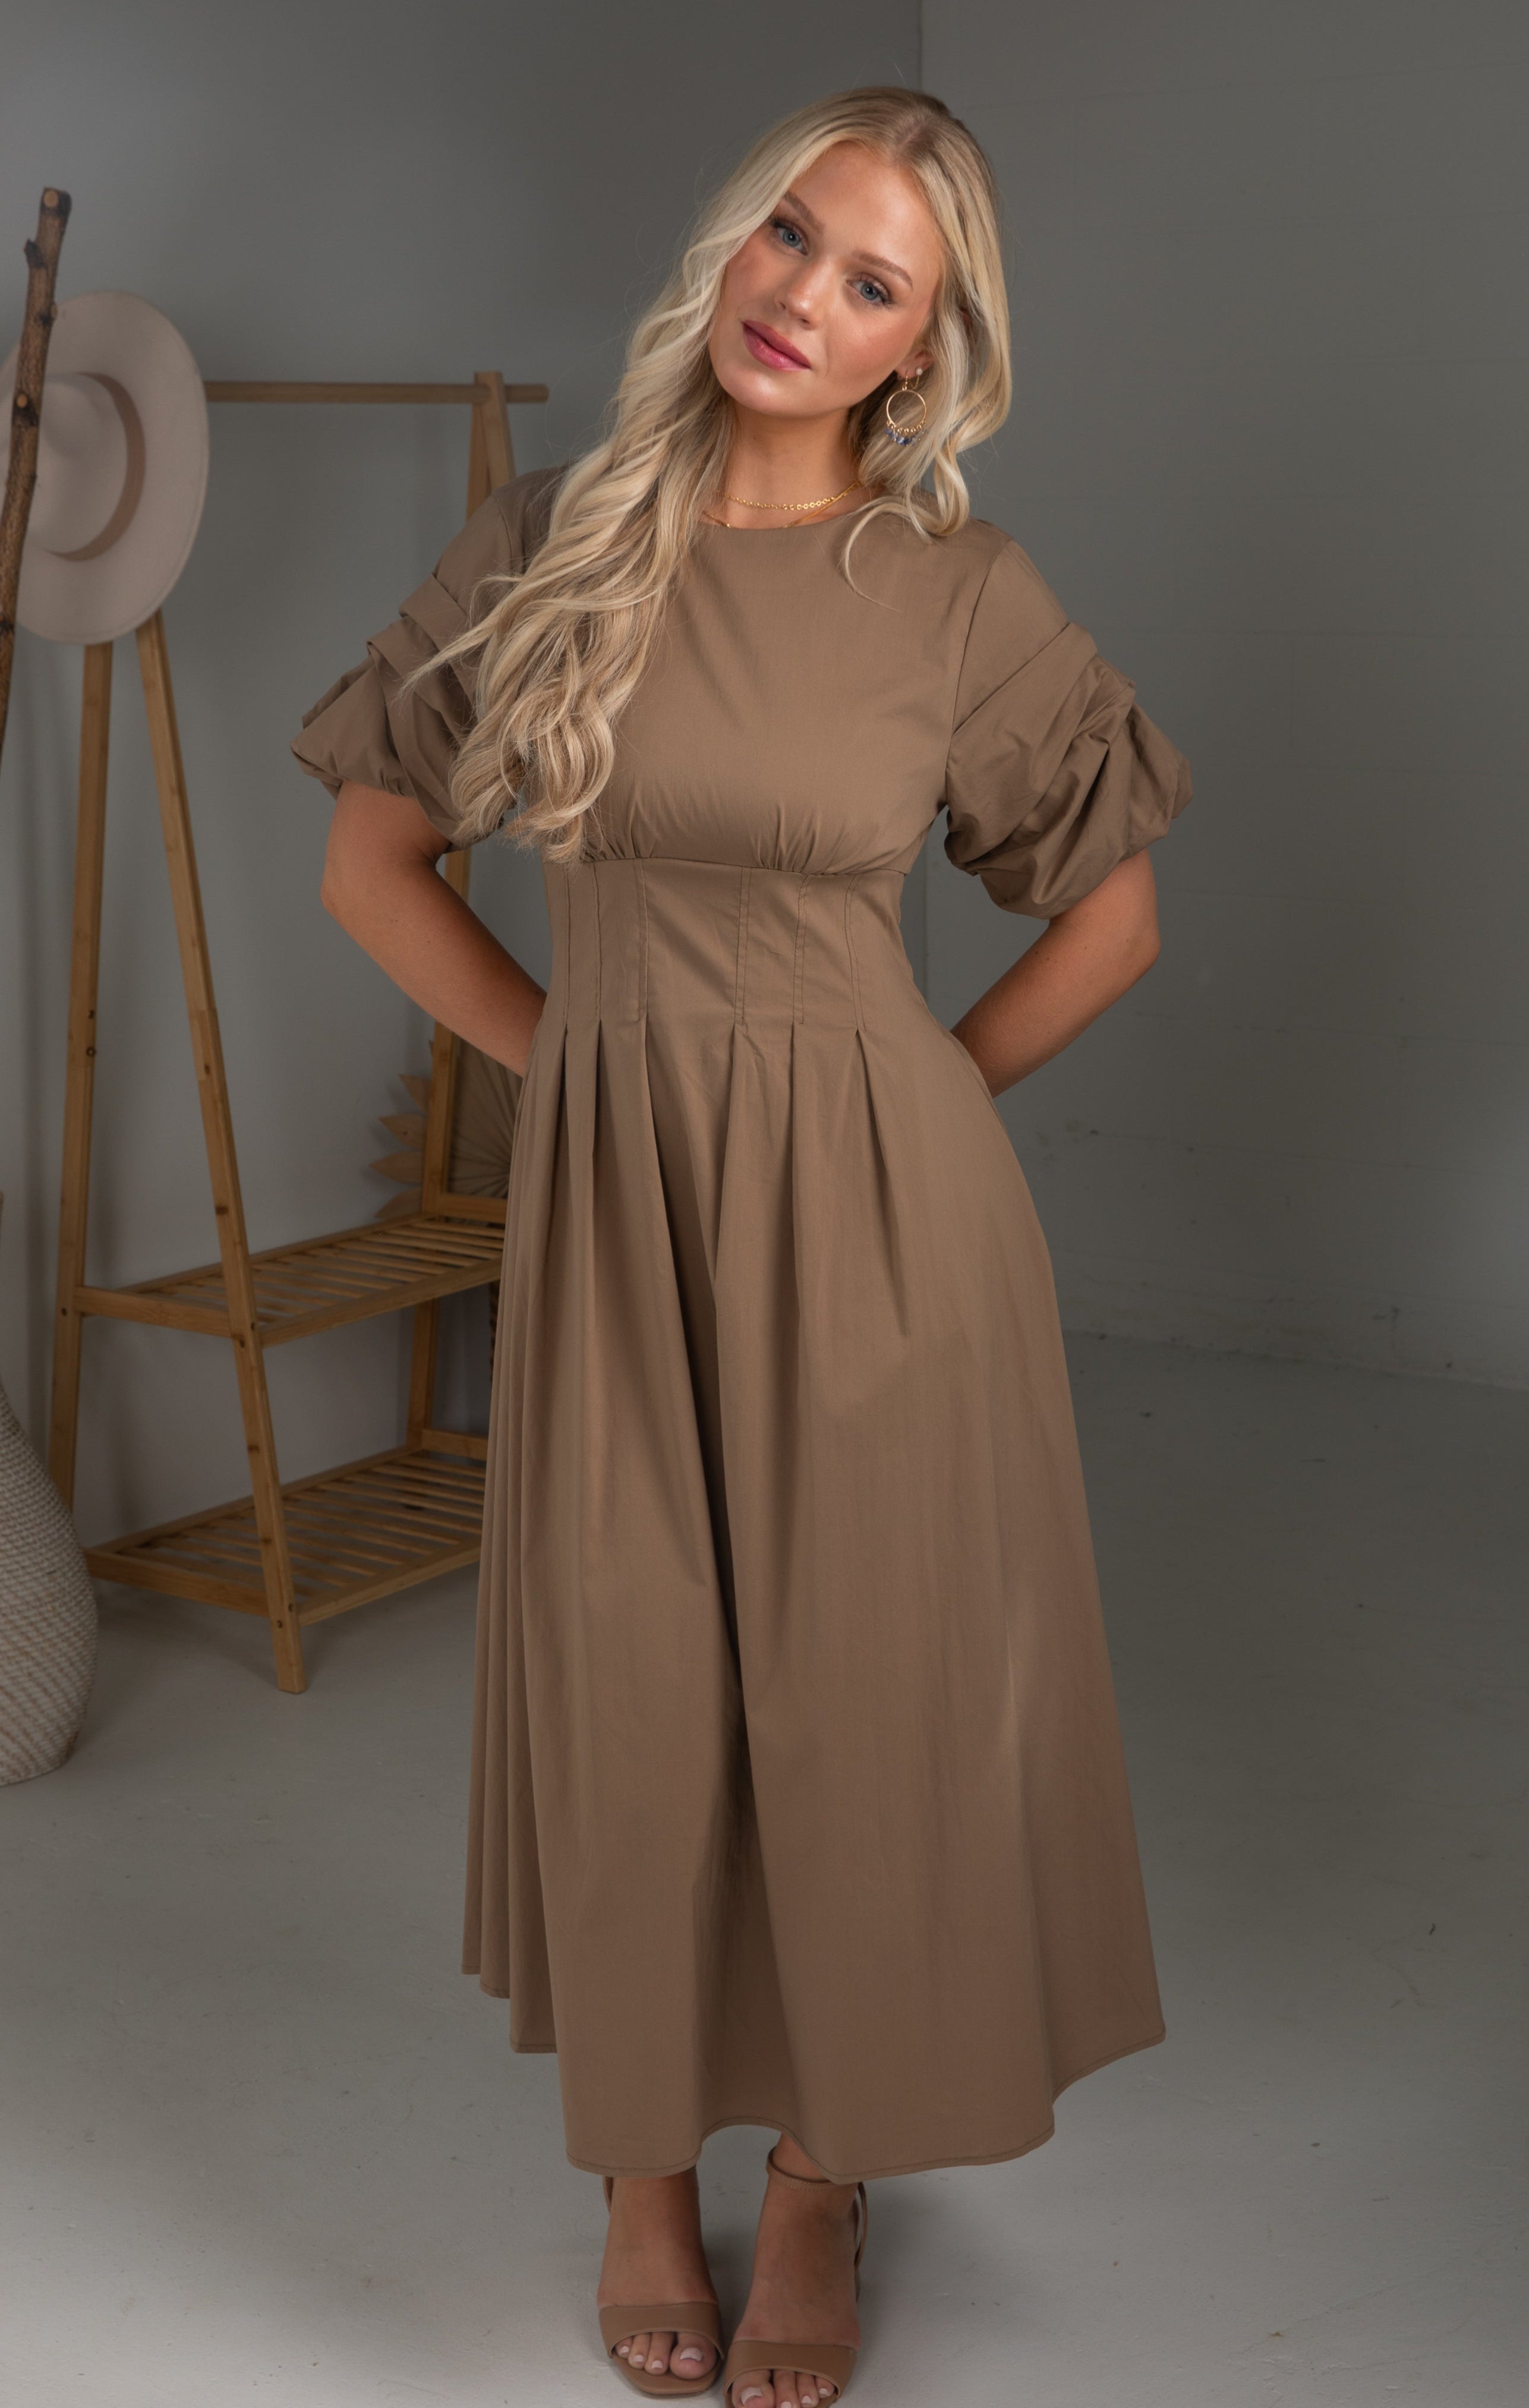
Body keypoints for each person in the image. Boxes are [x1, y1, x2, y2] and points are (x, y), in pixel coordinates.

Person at [293, 84, 1192, 2408]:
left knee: (862, 1701)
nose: (805, 297)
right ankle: (636, 2174)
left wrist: (921, 1103)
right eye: (793, 234)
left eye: (872, 280)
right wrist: (573, 1068)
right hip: (620, 1206)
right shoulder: (556, 533)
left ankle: (814, 2177)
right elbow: (372, 863)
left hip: (884, 1230)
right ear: (734, 241)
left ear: (923, 351)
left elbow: (1112, 914)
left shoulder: (952, 594)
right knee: (630, 1685)